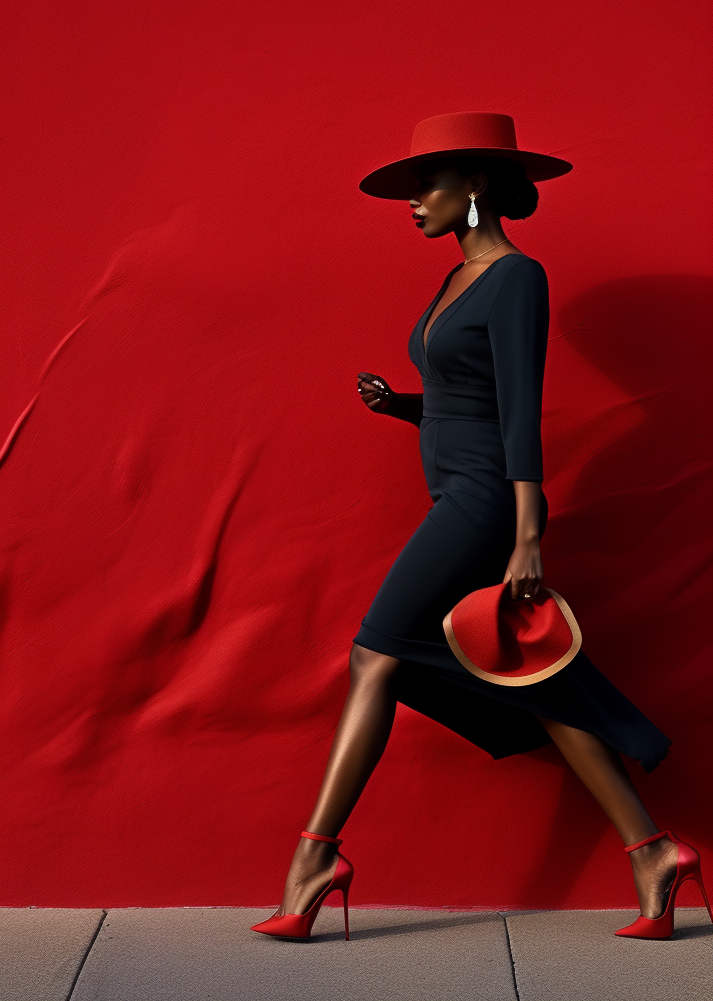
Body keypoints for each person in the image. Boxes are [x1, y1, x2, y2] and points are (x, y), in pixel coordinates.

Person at [250, 113, 710, 942]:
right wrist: (405, 406)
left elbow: (522, 410)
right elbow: (473, 401)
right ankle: (653, 852)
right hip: (456, 493)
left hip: (485, 502)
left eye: (426, 185)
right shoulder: (454, 280)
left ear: (476, 187)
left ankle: (316, 857)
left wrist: (529, 530)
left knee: (374, 652)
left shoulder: (516, 277)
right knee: (526, 674)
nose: (413, 202)